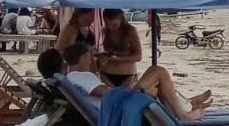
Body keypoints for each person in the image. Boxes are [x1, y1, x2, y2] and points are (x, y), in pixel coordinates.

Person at [59, 42, 213, 121]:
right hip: (121, 109)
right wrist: (133, 89)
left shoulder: (74, 76)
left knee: (155, 85)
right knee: (158, 71)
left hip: (118, 106)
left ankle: (189, 103)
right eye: (91, 56)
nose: (93, 59)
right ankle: (184, 114)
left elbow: (101, 93)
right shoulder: (81, 76)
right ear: (83, 57)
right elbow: (107, 94)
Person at [97, 9, 143, 86]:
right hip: (106, 74)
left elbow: (138, 57)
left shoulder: (130, 31)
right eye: (107, 24)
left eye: (114, 25)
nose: (110, 28)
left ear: (121, 19)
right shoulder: (104, 31)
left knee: (125, 93)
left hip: (127, 75)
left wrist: (117, 59)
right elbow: (99, 49)